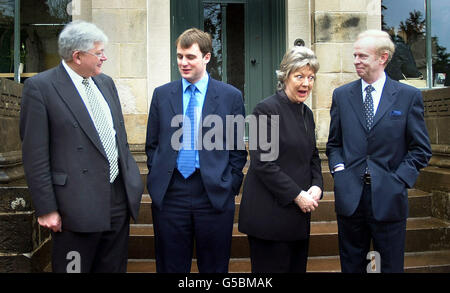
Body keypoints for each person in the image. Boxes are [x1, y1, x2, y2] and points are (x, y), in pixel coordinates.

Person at [20, 21, 144, 273]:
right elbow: (35, 155)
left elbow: (117, 137)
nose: (104, 57)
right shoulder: (41, 88)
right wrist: (46, 208)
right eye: (98, 53)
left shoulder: (106, 83)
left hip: (118, 202)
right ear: (77, 56)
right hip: (73, 208)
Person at [326, 30, 432, 273]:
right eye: (354, 55)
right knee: (353, 265)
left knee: (389, 266)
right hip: (351, 198)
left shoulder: (408, 96)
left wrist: (398, 180)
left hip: (389, 197)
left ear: (383, 58)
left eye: (362, 56)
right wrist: (340, 173)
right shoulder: (341, 95)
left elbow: (420, 149)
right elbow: (334, 144)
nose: (356, 61)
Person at [145, 28, 247, 273]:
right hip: (171, 193)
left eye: (190, 57)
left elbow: (237, 150)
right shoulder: (161, 94)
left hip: (212, 194)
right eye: (180, 56)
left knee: (214, 267)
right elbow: (152, 145)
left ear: (207, 58)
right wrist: (159, 177)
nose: (183, 62)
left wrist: (228, 185)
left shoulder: (230, 96)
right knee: (171, 267)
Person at [238, 46, 323, 273]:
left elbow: (312, 155)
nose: (306, 83)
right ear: (285, 76)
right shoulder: (265, 110)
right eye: (299, 77)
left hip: (298, 218)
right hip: (269, 219)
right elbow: (263, 163)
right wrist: (297, 195)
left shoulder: (307, 114)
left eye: (311, 77)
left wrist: (317, 185)